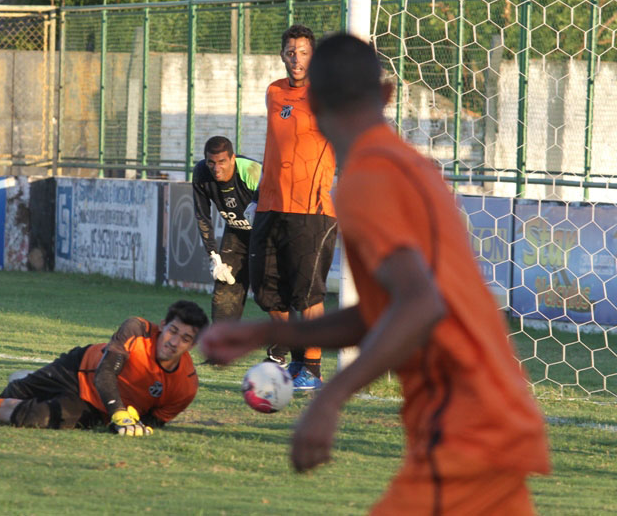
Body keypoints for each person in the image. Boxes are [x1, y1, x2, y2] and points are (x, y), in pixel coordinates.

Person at [200, 34, 550, 514]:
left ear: (312, 103)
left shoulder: (366, 181)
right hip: (494, 412)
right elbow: (390, 309)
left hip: (463, 422)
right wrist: (261, 331)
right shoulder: (416, 168)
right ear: (386, 95)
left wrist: (330, 400)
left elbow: (421, 304)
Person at [0, 300, 208, 436]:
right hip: (76, 368)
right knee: (11, 392)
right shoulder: (137, 328)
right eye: (172, 331)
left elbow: (155, 420)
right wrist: (119, 411)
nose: (174, 342)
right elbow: (106, 373)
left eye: (185, 338)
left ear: (193, 346)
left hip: (95, 405)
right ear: (163, 326)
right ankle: (26, 382)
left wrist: (127, 424)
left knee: (33, 417)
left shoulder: (186, 385)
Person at [247, 24, 337, 390]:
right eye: (290, 51)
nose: (296, 58)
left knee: (308, 292)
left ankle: (311, 369)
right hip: (270, 205)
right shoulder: (274, 92)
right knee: (267, 289)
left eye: (303, 51)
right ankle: (284, 356)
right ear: (282, 55)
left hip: (311, 209)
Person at [193, 136, 261, 322]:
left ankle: (287, 348)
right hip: (236, 233)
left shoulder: (251, 171)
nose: (216, 169)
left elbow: (276, 208)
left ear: (232, 159)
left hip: (264, 235)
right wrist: (214, 257)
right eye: (211, 162)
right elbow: (202, 215)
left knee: (269, 294)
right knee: (224, 296)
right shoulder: (201, 172)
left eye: (222, 162)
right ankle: (222, 349)